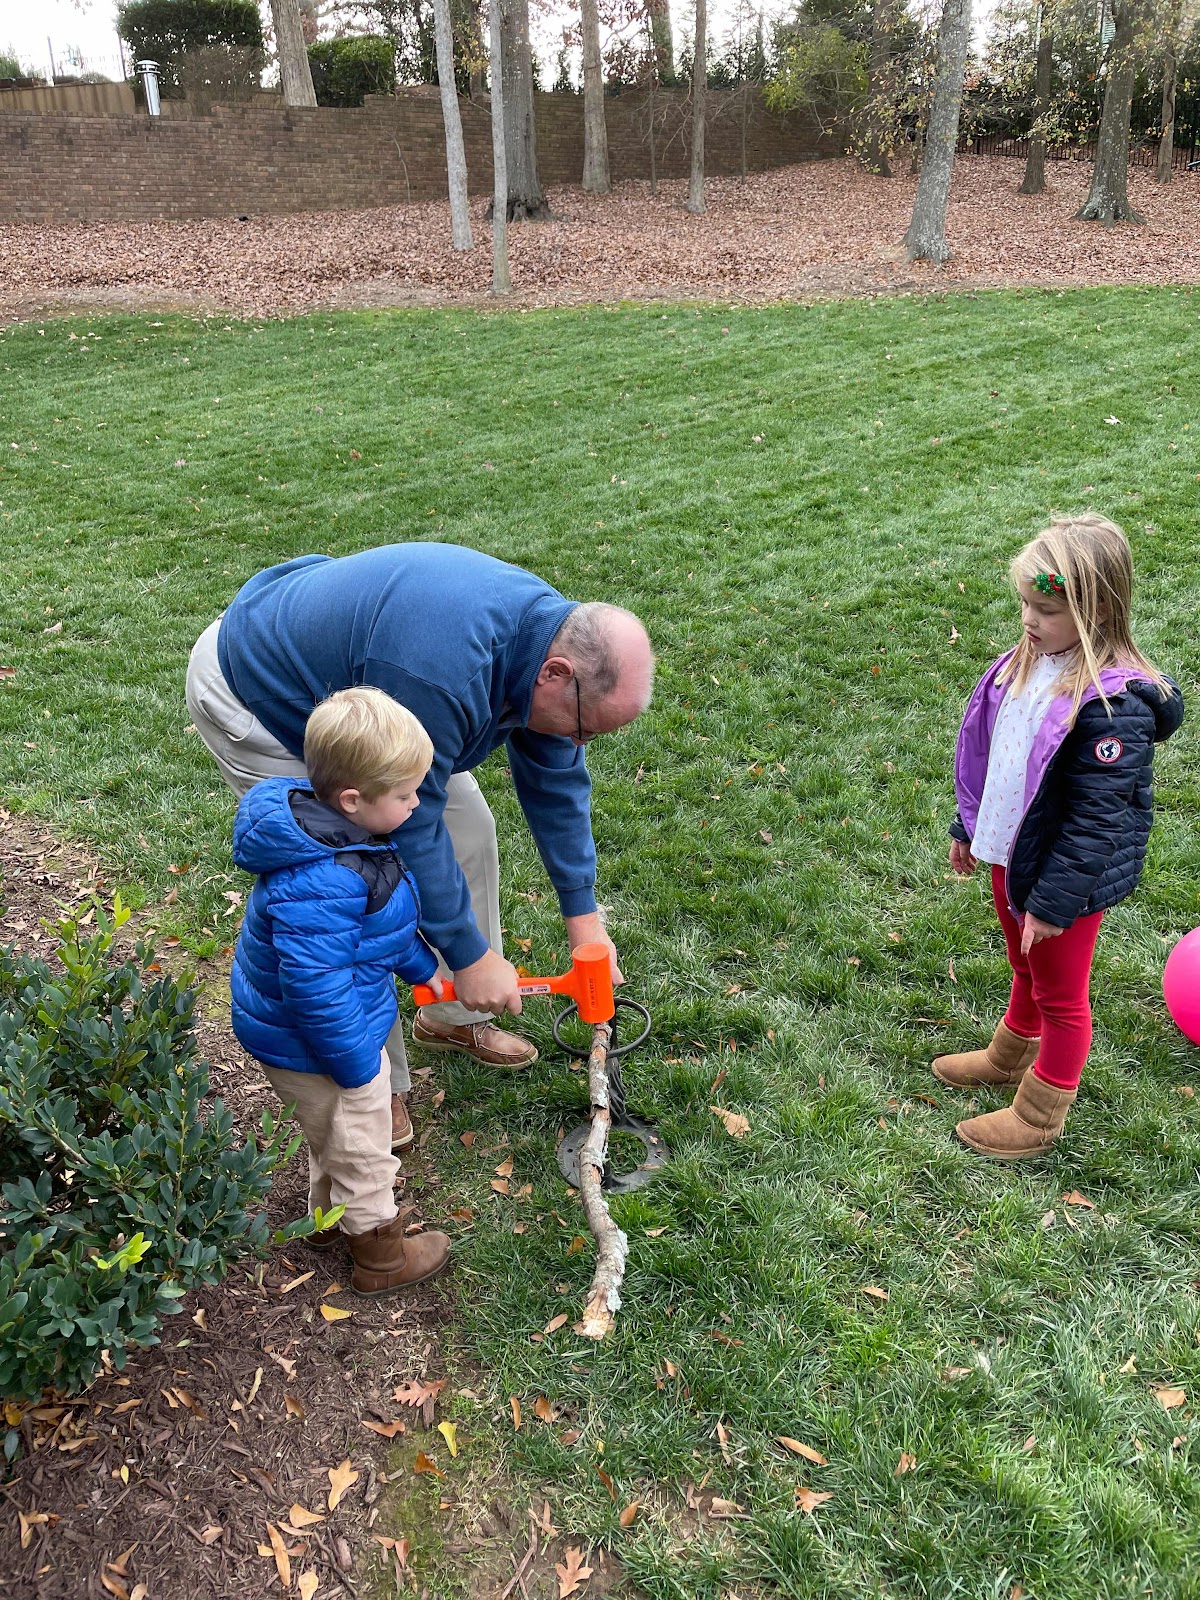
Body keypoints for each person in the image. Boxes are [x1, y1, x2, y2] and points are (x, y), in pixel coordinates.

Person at [186, 543, 654, 1145]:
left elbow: (555, 781)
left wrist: (584, 921)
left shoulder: (548, 644)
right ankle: (371, 1088)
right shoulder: (444, 671)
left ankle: (454, 1010)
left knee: (471, 830)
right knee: (354, 884)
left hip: (382, 698)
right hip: (262, 691)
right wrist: (468, 952)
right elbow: (411, 830)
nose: (579, 743)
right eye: (586, 728)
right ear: (556, 674)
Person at [934, 513, 1184, 1159]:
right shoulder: (1029, 662)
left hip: (1061, 877)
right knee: (1024, 966)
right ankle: (1008, 1055)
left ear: (1095, 612)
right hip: (1012, 851)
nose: (1028, 619)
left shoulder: (1113, 708)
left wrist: (1052, 902)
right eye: (1024, 603)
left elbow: (1098, 819)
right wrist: (970, 825)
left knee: (1062, 996)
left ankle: (1040, 1115)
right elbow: (993, 757)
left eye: (1045, 609)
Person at [231, 686, 452, 1296]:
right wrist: (358, 1068)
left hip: (325, 1030)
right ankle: (380, 1257)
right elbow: (315, 986)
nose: (416, 803)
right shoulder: (323, 878)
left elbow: (374, 931)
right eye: (405, 795)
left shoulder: (347, 840)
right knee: (362, 1143)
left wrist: (423, 969)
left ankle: (325, 1223)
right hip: (319, 1042)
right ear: (353, 799)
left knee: (332, 1134)